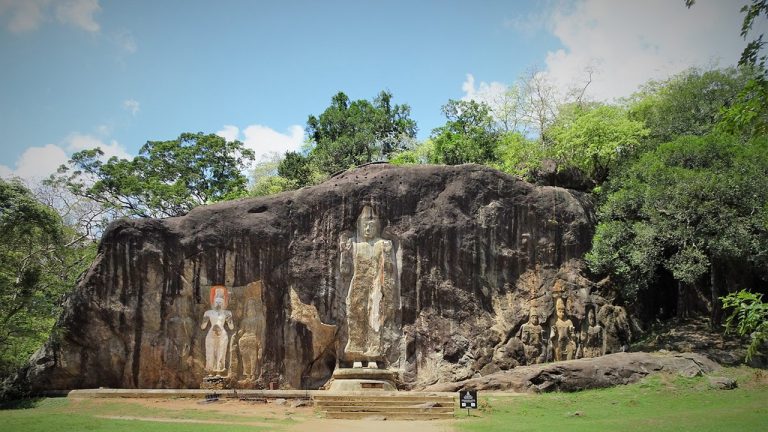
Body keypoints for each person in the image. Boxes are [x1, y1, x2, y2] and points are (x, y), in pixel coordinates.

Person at [340, 206, 396, 368]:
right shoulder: (354, 244)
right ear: (358, 225)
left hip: (376, 286)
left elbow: (389, 270)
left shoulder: (383, 244)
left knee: (375, 319)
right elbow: (345, 270)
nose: (367, 228)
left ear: (377, 226)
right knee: (356, 319)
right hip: (357, 286)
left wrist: (387, 254)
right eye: (364, 224)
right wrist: (344, 252)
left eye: (371, 225)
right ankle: (356, 354)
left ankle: (372, 356)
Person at [201, 286, 234, 375]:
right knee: (210, 352)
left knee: (221, 352)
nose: (219, 303)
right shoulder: (208, 313)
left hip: (222, 334)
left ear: (224, 302)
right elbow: (203, 327)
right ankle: (210, 372)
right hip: (211, 334)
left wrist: (229, 320)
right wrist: (205, 320)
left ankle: (219, 372)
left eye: (221, 301)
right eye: (217, 301)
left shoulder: (227, 313)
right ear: (213, 301)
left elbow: (231, 327)